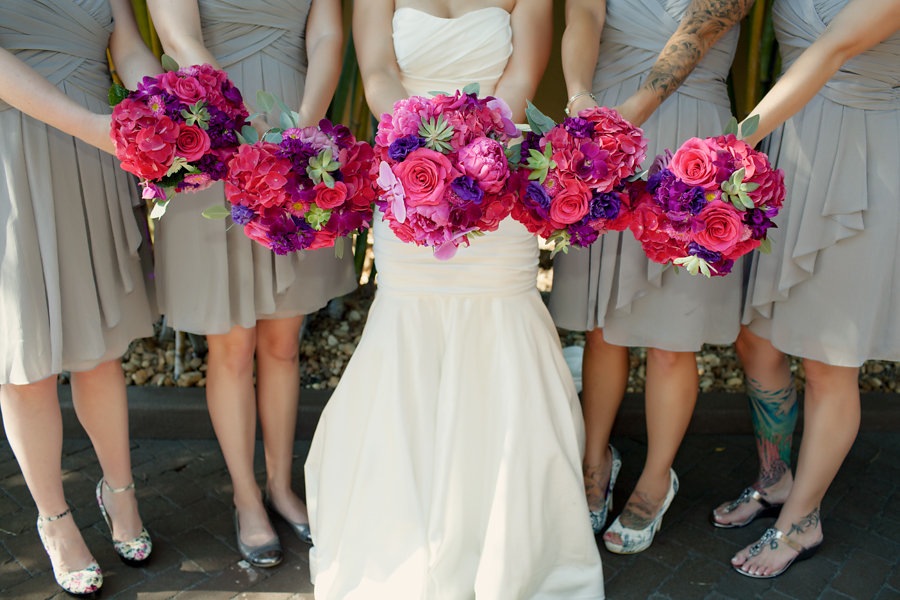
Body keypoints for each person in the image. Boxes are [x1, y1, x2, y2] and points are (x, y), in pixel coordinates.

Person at [304, 1, 605, 598]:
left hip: (497, 175)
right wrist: (427, 154)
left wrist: (472, 154)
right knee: (407, 327)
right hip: (405, 173)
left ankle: (506, 540)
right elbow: (379, 76)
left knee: (502, 324)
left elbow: (519, 79)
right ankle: (400, 533)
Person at [147, 0, 356, 568]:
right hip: (211, 132)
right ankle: (246, 498)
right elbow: (176, 34)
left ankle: (282, 486)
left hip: (296, 136)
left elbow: (327, 37)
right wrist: (240, 126)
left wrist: (302, 134)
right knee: (232, 343)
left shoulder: (301, 136)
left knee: (283, 342)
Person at [551, 0, 753, 553]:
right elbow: (585, 17)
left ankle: (655, 479)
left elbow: (692, 40)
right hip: (608, 129)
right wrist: (580, 98)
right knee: (603, 325)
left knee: (671, 336)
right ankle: (596, 458)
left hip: (689, 139)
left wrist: (627, 118)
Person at [709, 0, 900, 578]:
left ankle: (800, 519)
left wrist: (726, 146)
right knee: (754, 337)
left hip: (862, 167)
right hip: (791, 153)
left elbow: (829, 51)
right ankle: (776, 477)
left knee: (828, 360)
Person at [0, 0, 160, 595]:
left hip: (98, 152)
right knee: (25, 359)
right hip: (13, 150)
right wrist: (95, 128)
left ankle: (119, 490)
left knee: (100, 346)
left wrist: (165, 104)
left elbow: (127, 43)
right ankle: (55, 520)